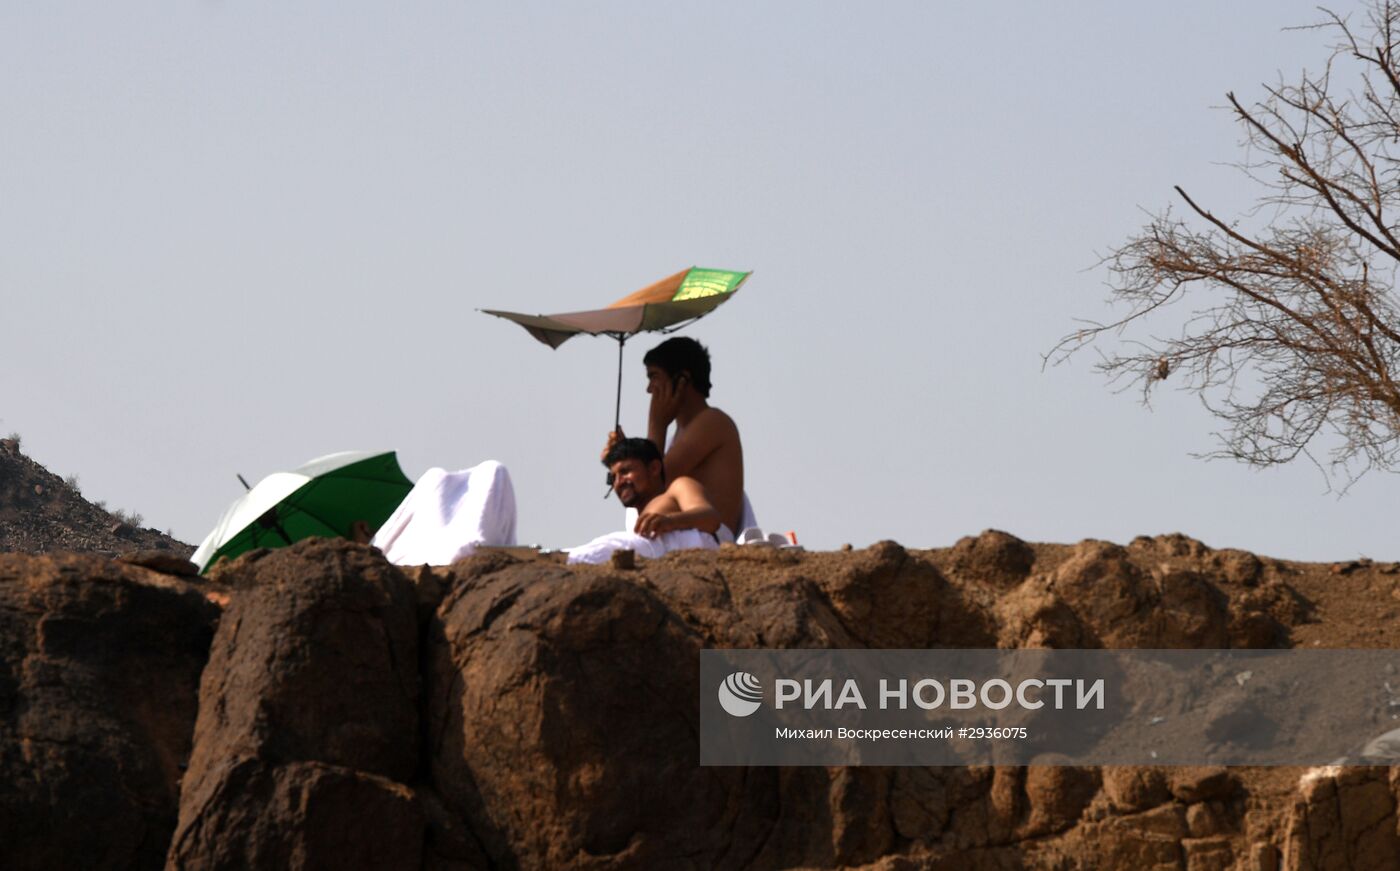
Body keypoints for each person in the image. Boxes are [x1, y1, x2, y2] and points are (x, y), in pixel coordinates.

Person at [602, 336, 745, 534]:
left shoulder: (712, 421)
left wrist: (657, 424)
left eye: (654, 377)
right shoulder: (678, 434)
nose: (649, 389)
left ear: (681, 380)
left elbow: (654, 482)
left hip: (710, 537)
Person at [567, 437, 724, 565]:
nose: (618, 482)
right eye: (613, 477)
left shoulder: (679, 486)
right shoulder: (633, 518)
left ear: (654, 468)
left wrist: (669, 521)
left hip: (688, 553)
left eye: (625, 471)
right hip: (657, 561)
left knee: (612, 548)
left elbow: (711, 518)